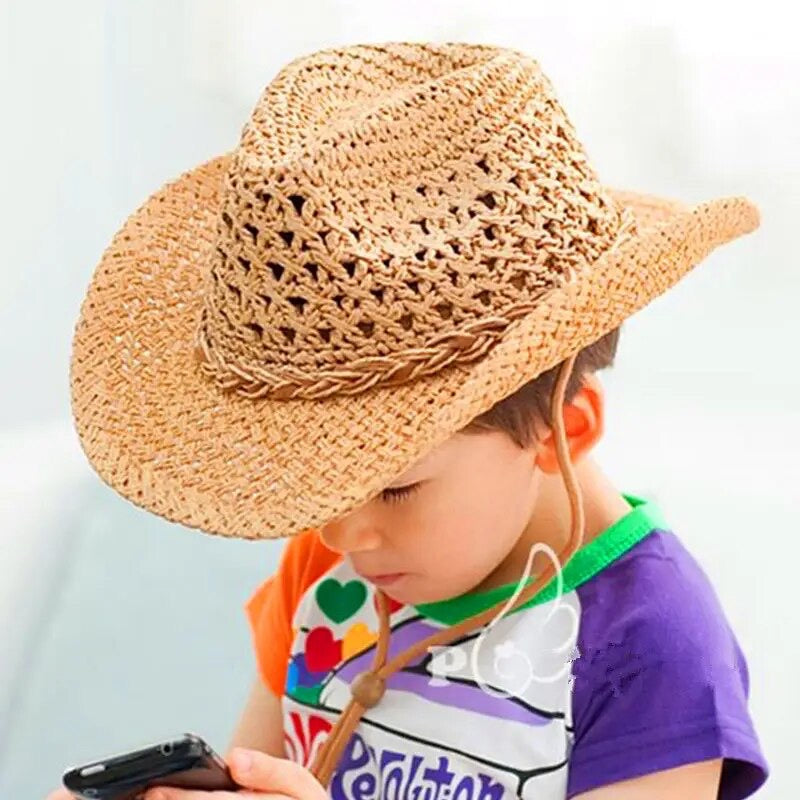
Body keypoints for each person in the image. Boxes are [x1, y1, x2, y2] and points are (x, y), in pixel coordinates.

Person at [56, 41, 769, 800]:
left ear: (568, 427)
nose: (343, 532)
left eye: (394, 488)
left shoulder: (651, 650)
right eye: (319, 483)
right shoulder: (324, 575)